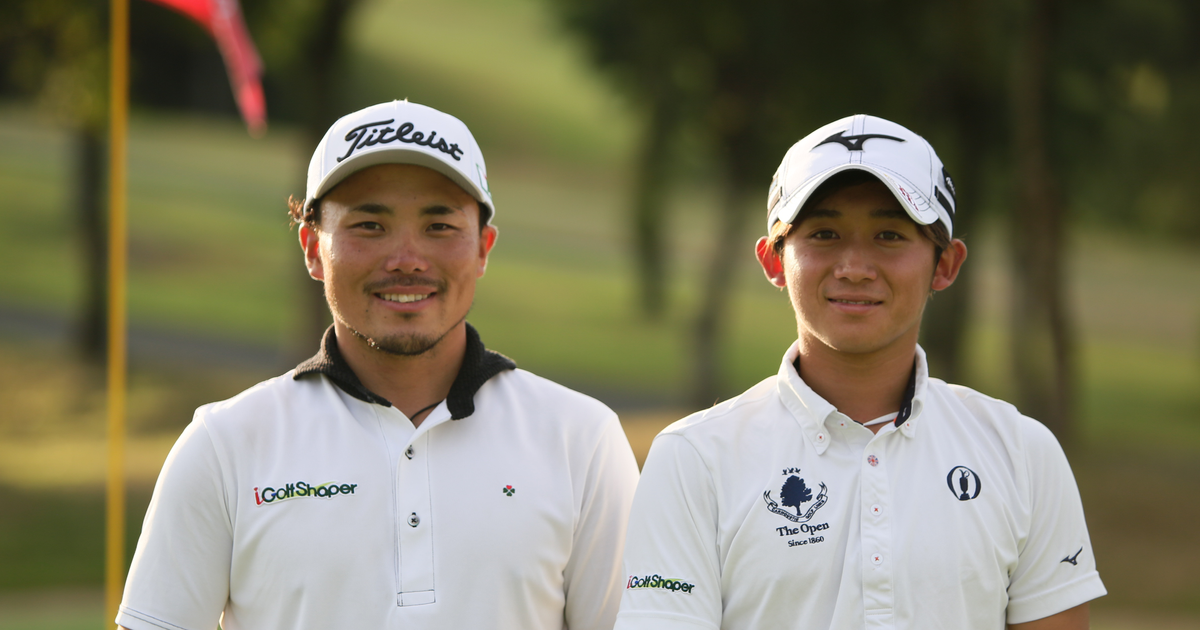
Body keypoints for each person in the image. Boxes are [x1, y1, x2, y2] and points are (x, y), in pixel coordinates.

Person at [117, 100, 640, 630]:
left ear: (483, 248)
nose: (406, 259)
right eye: (369, 225)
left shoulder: (581, 440)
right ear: (312, 248)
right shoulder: (225, 445)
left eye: (439, 225)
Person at [614, 114, 1105, 630]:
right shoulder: (694, 458)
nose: (853, 267)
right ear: (775, 261)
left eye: (889, 235)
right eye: (824, 234)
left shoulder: (1021, 453)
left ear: (945, 265)